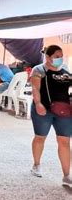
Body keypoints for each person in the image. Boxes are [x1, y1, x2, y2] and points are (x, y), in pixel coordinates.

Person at [29, 45, 72, 186]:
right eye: (56, 56)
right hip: (44, 110)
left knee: (64, 141)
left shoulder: (65, 69)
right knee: (40, 137)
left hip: (64, 111)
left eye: (61, 56)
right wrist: (38, 103)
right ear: (48, 57)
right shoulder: (39, 70)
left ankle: (66, 175)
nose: (60, 59)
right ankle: (36, 164)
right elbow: (35, 88)